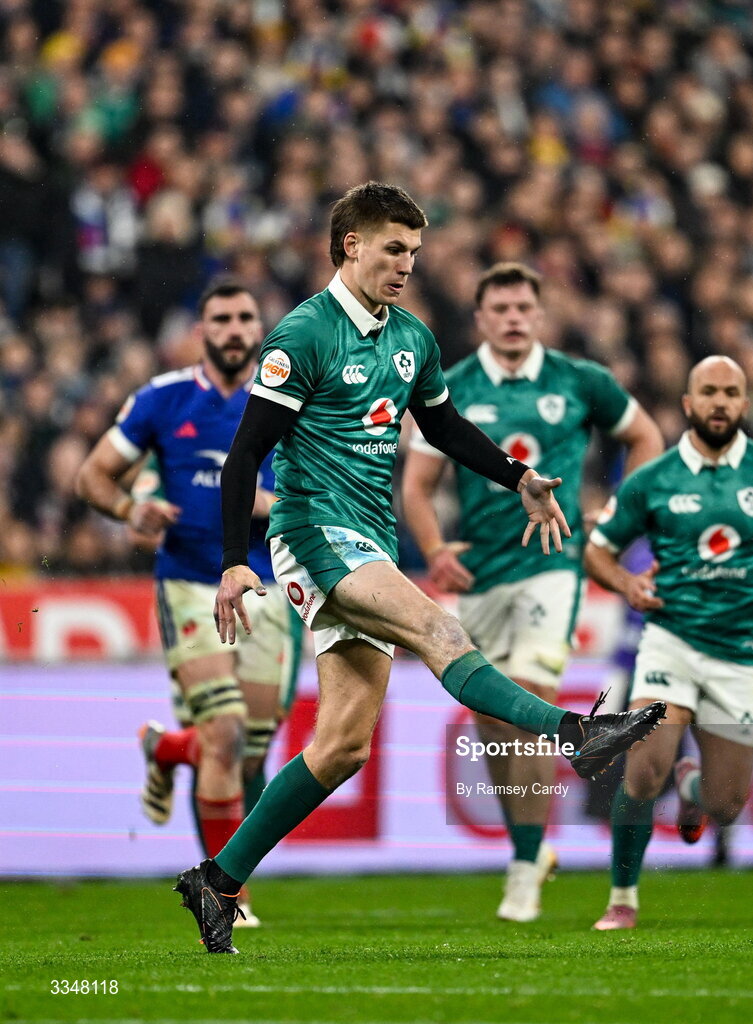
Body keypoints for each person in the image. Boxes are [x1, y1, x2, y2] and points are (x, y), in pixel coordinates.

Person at [171, 181, 666, 953]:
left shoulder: (412, 337)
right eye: (393, 248)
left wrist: (516, 477)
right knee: (439, 627)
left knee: (341, 747)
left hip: (370, 537)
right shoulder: (303, 335)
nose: (407, 263)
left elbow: (442, 425)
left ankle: (218, 880)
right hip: (314, 532)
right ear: (352, 246)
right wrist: (234, 561)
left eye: (415, 251)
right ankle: (575, 732)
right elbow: (244, 459)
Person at [402, 261, 662, 921]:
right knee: (495, 719)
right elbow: (417, 486)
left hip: (554, 563)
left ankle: (523, 866)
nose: (514, 318)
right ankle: (529, 846)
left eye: (524, 308)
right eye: (501, 309)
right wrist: (434, 549)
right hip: (482, 571)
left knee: (536, 696)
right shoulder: (450, 389)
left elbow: (644, 434)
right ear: (481, 318)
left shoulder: (579, 381)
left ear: (539, 316)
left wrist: (624, 510)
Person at [584, 356, 753, 930]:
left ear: (745, 405)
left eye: (731, 392)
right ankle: (622, 898)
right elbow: (599, 550)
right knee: (642, 771)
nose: (720, 401)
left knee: (725, 806)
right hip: (669, 641)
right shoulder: (653, 479)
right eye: (709, 392)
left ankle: (692, 785)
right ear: (688, 405)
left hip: (741, 650)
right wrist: (627, 582)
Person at [76, 278, 297, 926]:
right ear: (203, 330)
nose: (234, 329)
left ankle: (168, 749)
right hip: (190, 581)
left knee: (251, 749)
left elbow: (326, 491)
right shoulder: (163, 399)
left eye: (244, 318)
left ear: (259, 331)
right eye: (221, 319)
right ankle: (228, 895)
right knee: (225, 733)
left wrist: (274, 505)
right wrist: (128, 507)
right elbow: (93, 473)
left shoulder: (289, 403)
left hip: (267, 584)